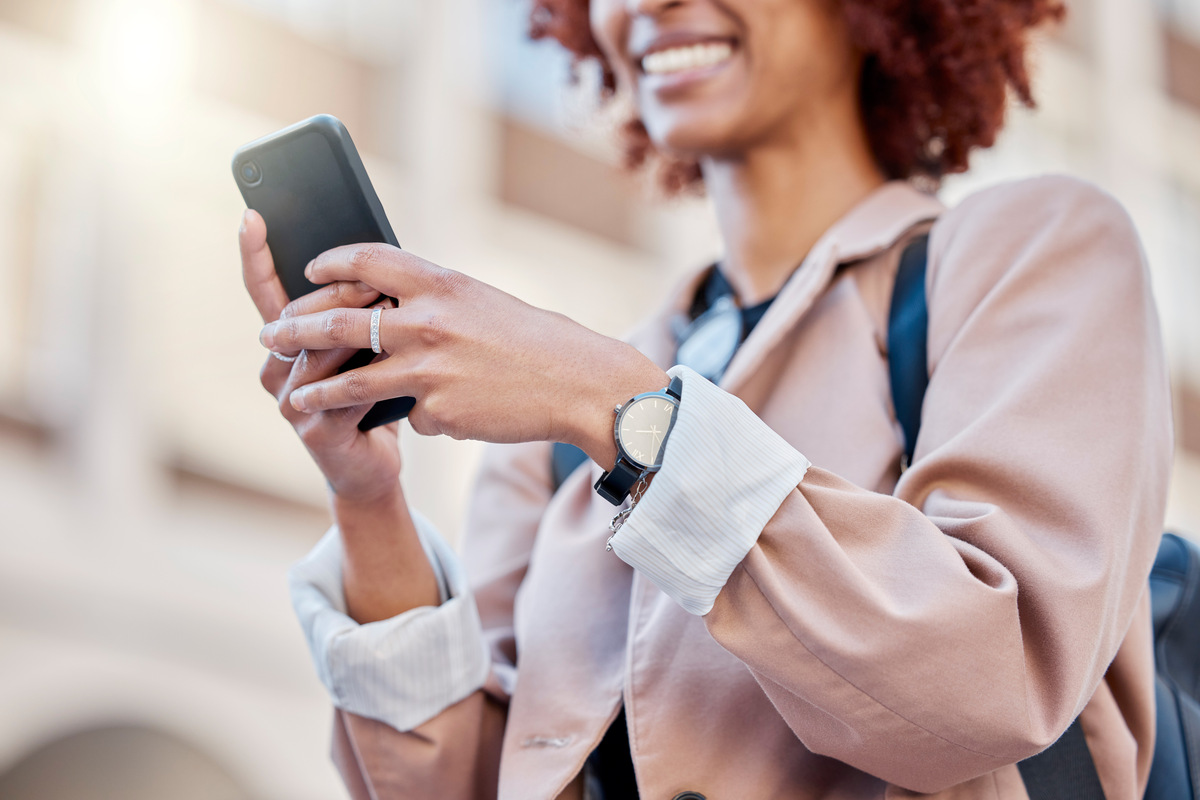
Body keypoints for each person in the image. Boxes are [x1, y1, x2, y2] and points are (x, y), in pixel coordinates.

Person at [237, 0, 1172, 797]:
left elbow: (999, 674)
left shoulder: (1035, 250)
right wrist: (369, 503)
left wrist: (613, 408)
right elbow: (478, 779)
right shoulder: (557, 408)